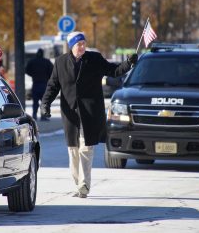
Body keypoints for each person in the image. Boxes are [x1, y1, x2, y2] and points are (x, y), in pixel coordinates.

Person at [40, 31, 137, 198]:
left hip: (90, 111)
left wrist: (128, 63)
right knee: (73, 150)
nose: (83, 47)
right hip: (70, 112)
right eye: (79, 44)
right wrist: (45, 104)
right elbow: (52, 85)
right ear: (72, 46)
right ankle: (78, 183)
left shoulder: (94, 58)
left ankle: (84, 186)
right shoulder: (61, 62)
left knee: (86, 147)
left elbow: (113, 70)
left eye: (84, 43)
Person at [26, 48, 53, 120]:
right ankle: (43, 116)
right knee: (44, 102)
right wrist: (47, 77)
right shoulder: (46, 62)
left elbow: (27, 70)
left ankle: (34, 115)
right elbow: (52, 72)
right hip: (44, 84)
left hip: (35, 83)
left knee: (35, 102)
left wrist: (33, 75)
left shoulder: (32, 61)